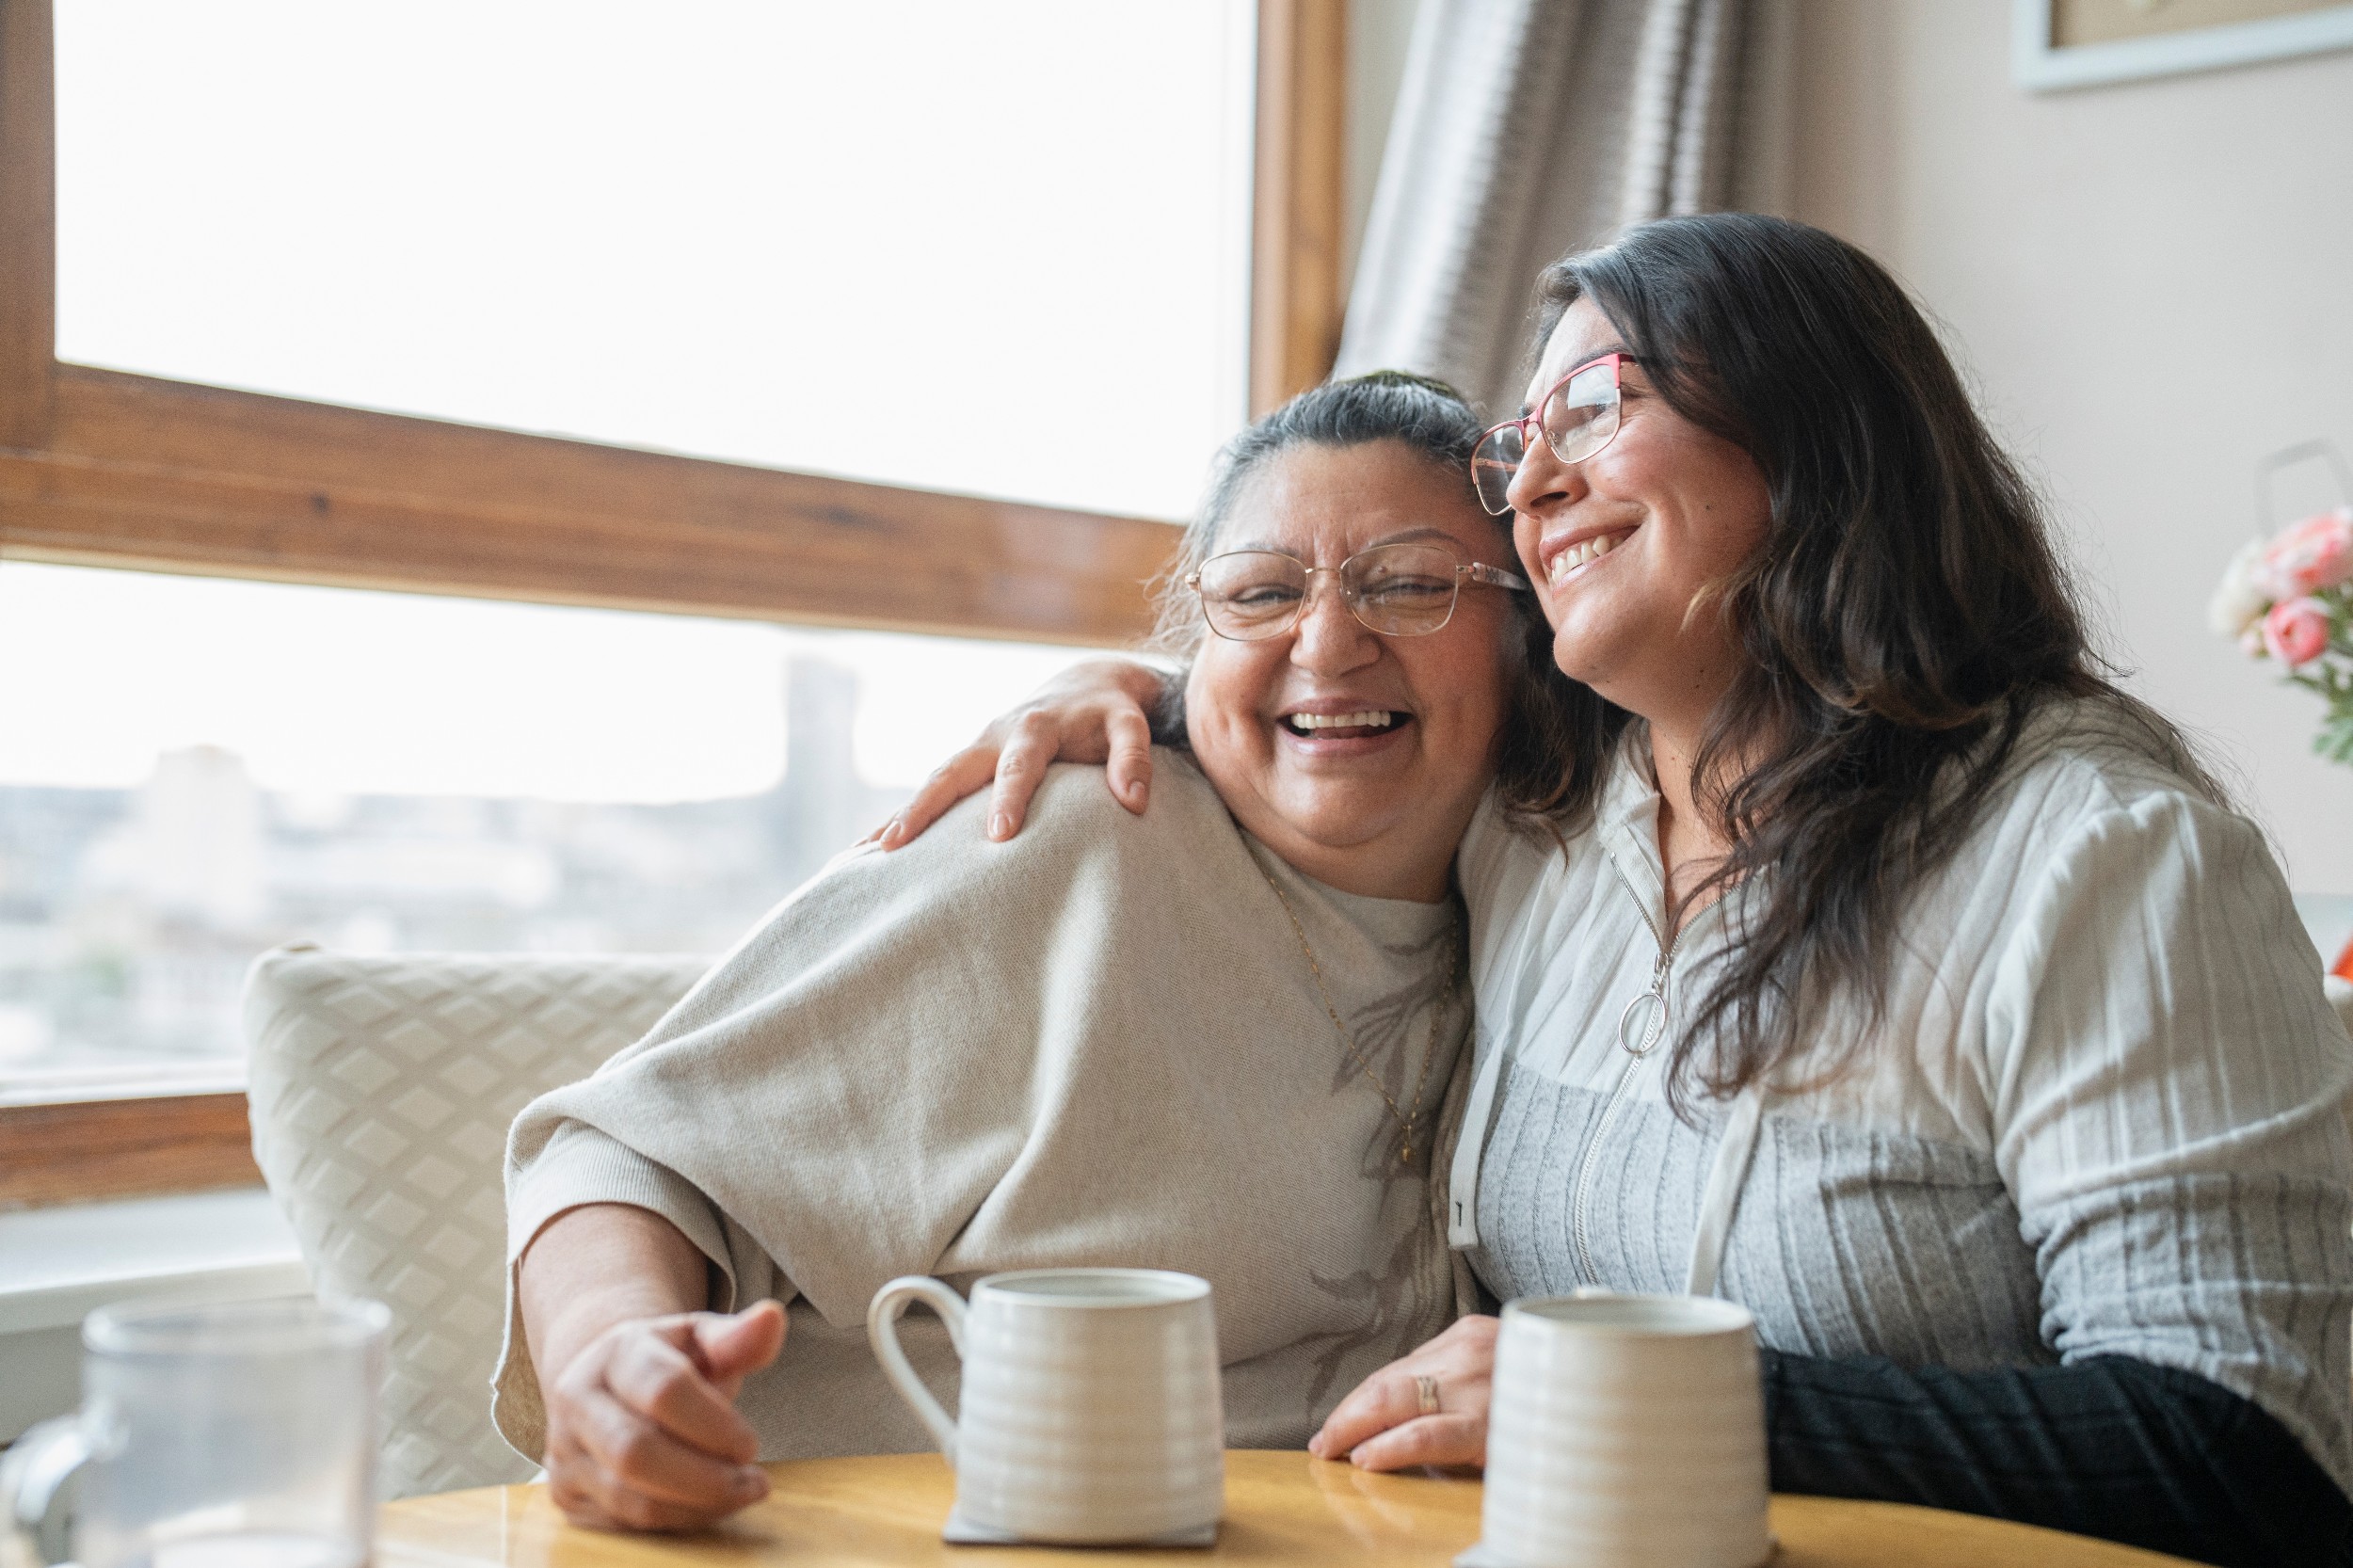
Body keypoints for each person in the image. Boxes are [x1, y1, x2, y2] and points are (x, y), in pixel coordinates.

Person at [872, 214, 2353, 1568]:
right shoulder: (1540, 818)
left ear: (1814, 432)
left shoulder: (2100, 860)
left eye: (1596, 409)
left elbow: (2251, 1456)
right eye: (1521, 445)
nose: (1536, 482)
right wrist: (1130, 687)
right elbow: (1332, 691)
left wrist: (1647, 1400)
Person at [491, 372, 1583, 1533]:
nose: (1326, 640)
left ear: (1535, 629)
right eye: (1260, 592)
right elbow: (628, 1153)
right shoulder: (1067, 846)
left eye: (1409, 585)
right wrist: (607, 1357)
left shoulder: (1554, 906)